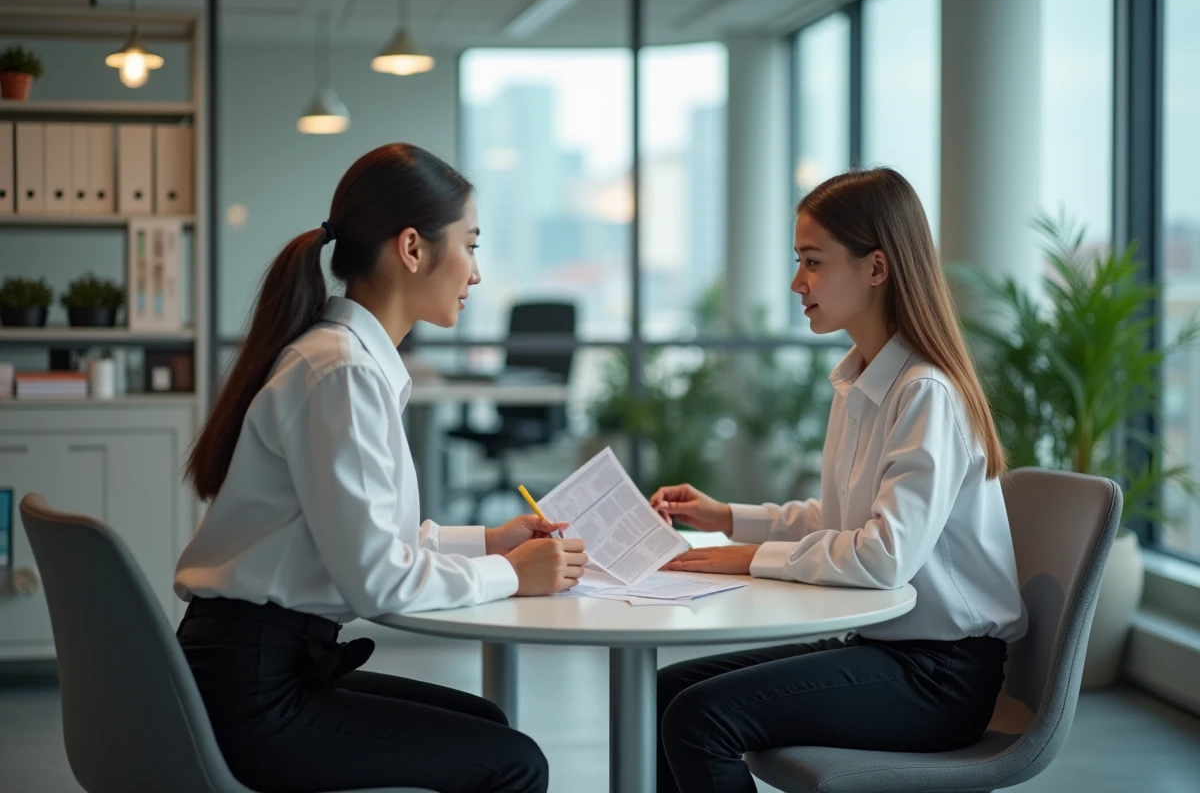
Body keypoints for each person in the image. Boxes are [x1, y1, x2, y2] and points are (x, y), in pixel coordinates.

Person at [174, 143, 586, 793]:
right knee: (514, 762)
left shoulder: (342, 360)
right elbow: (378, 582)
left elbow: (368, 540)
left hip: (251, 666)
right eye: (471, 246)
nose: (476, 273)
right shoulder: (340, 372)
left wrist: (488, 541)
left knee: (487, 726)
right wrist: (508, 573)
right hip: (252, 696)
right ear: (414, 249)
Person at [648, 167, 1028, 793]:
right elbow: (840, 521)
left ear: (877, 268)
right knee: (666, 690)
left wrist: (746, 558)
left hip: (938, 676)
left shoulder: (924, 392)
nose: (797, 283)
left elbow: (882, 558)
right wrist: (727, 520)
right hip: (880, 647)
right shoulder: (861, 380)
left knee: (700, 717)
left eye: (813, 262)